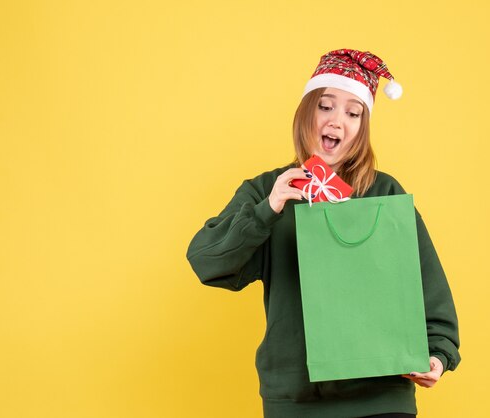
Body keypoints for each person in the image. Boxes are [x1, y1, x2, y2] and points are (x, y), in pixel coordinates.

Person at [186, 49, 460, 418]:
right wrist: (268, 209)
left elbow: (426, 282)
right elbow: (207, 261)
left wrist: (438, 354)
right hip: (295, 402)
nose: (337, 122)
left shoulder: (384, 193)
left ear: (363, 128)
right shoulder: (267, 191)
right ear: (306, 112)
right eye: (326, 107)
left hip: (380, 397)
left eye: (353, 113)